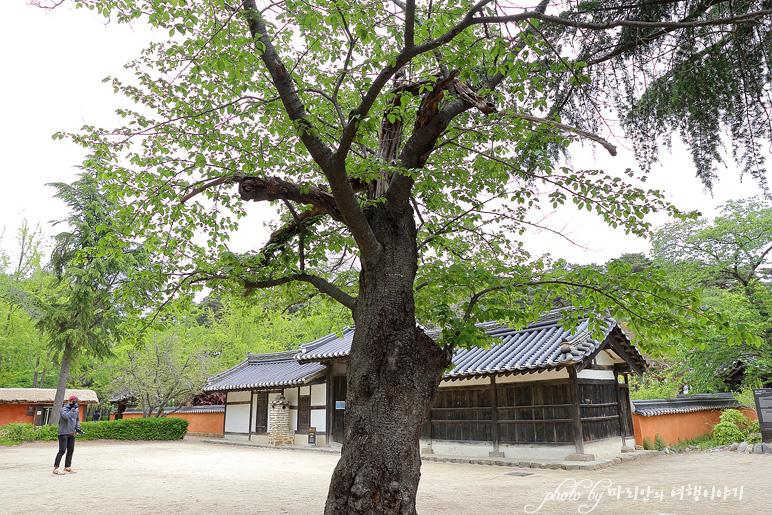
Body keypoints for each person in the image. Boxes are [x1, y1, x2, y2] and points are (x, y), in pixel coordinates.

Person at [53, 395, 84, 475]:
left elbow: (76, 420)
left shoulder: (76, 410)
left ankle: (67, 467)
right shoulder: (63, 409)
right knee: (62, 450)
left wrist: (78, 429)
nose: (75, 403)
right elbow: (66, 417)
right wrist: (73, 409)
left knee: (71, 450)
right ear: (69, 401)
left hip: (71, 433)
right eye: (73, 401)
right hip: (63, 433)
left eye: (76, 402)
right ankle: (56, 468)